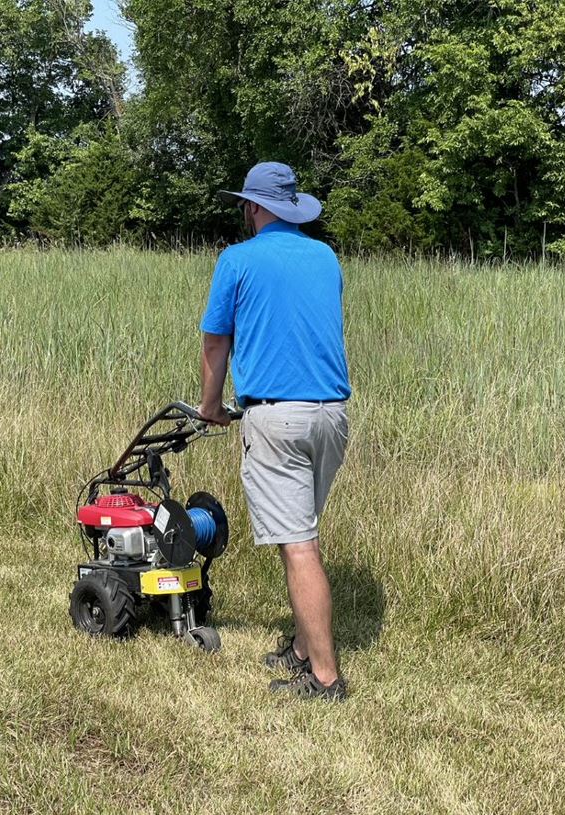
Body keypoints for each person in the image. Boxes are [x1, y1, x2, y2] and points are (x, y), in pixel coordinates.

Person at [197, 161, 351, 702]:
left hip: (277, 418)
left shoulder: (238, 260)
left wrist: (210, 406)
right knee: (302, 532)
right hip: (332, 416)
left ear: (256, 206)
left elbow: (216, 343)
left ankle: (324, 677)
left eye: (245, 204)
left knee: (299, 546)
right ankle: (304, 649)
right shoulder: (325, 257)